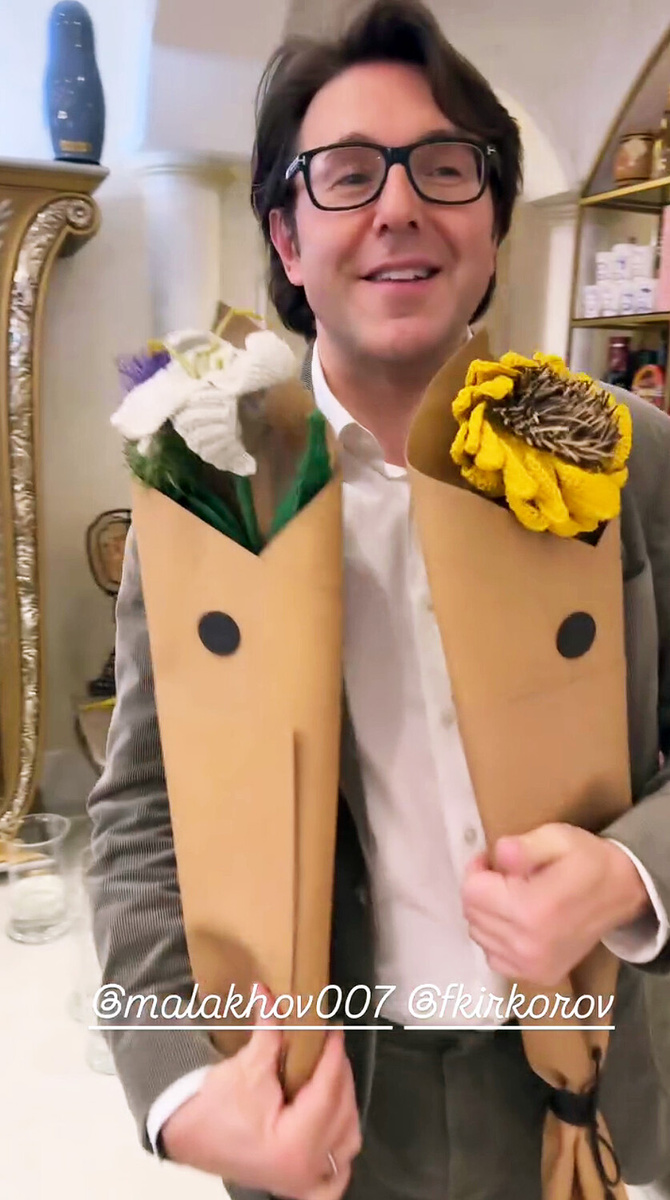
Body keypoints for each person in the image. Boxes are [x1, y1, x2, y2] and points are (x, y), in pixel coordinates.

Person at [87, 2, 670, 1198]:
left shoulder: (624, 451)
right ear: (287, 240)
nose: (398, 205)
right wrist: (180, 1093)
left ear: (494, 223)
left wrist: (633, 874)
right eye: (347, 175)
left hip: (589, 1064)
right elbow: (141, 815)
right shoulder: (207, 487)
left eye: (443, 167)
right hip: (332, 1087)